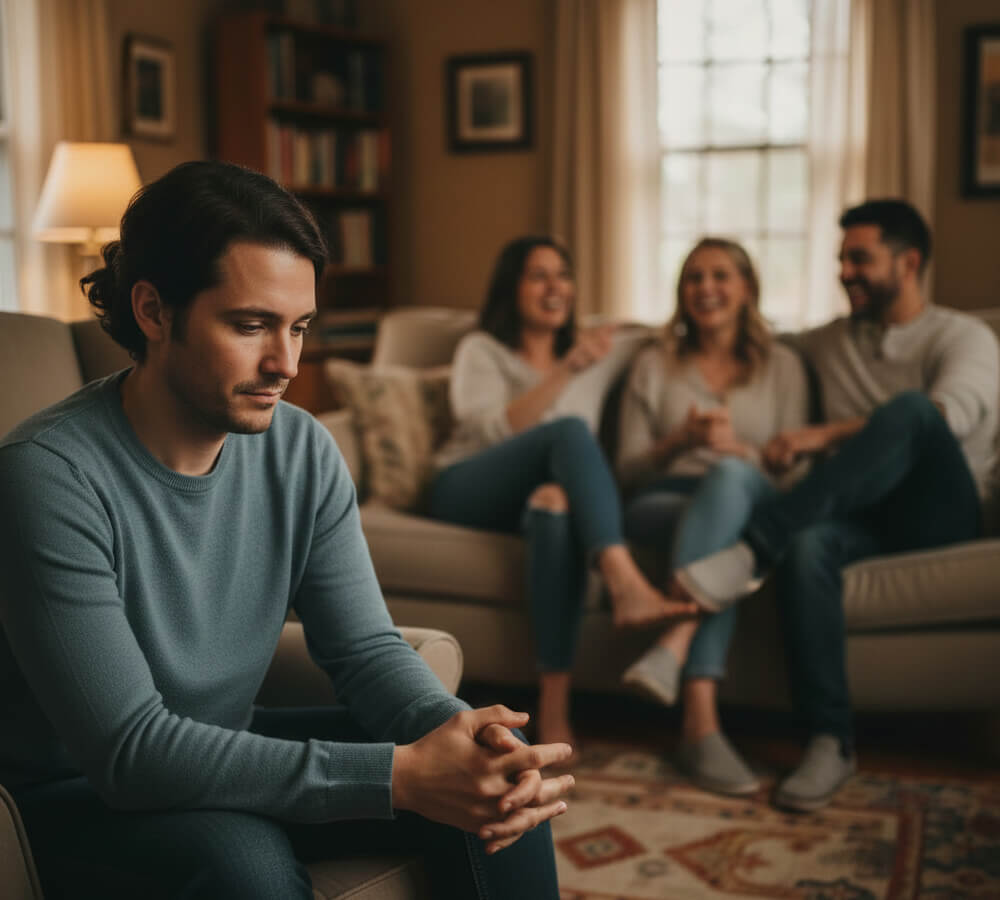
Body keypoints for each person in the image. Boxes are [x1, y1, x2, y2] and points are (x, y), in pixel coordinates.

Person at [0, 161, 577, 900]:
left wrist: (458, 733)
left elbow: (364, 651)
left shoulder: (301, 449)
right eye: (250, 326)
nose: (286, 363)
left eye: (298, 327)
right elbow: (131, 750)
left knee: (500, 768)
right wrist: (399, 776)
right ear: (153, 310)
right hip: (74, 793)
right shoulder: (46, 475)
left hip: (226, 748)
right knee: (244, 865)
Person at [673, 199, 1000, 811]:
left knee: (911, 411)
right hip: (861, 518)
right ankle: (830, 740)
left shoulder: (964, 337)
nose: (845, 272)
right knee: (808, 545)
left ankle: (752, 548)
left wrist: (819, 436)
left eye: (860, 259)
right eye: (842, 260)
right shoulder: (828, 341)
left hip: (942, 514)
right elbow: (746, 332)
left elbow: (945, 418)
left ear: (909, 263)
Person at [427, 235, 696, 750]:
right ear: (512, 287)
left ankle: (552, 707)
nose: (556, 287)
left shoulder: (598, 354)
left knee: (554, 508)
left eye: (563, 275)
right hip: (466, 486)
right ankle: (623, 579)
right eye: (539, 276)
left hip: (534, 498)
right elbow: (491, 430)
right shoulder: (481, 349)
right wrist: (568, 368)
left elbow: (657, 332)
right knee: (570, 431)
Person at [615, 237, 809, 796]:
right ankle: (699, 727)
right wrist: (678, 442)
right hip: (665, 500)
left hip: (751, 496)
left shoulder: (784, 366)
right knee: (722, 518)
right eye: (694, 278)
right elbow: (626, 471)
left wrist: (741, 453)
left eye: (720, 275)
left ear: (747, 287)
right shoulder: (653, 363)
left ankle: (682, 670)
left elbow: (797, 477)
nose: (706, 288)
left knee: (728, 481)